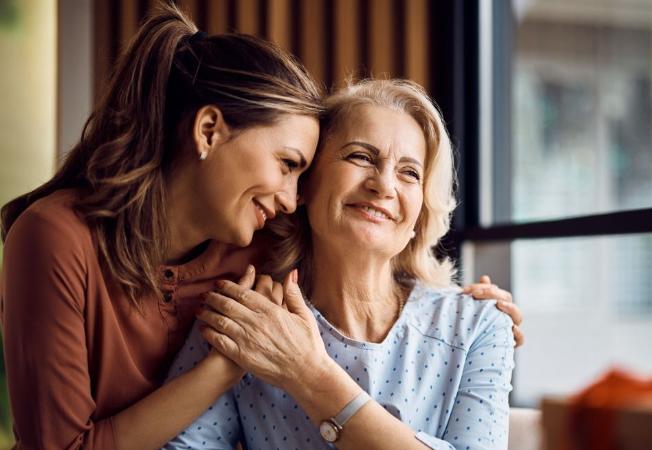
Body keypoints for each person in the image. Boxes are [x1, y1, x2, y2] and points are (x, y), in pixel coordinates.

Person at [0, 5, 521, 450]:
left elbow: (373, 253)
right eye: (290, 165)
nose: (291, 199)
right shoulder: (248, 286)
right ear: (208, 131)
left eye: (410, 172)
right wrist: (227, 367)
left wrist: (476, 310)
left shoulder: (258, 246)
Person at [164, 79, 516, 450]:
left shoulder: (479, 326)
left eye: (409, 173)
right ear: (305, 185)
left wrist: (310, 374)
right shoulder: (247, 316)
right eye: (360, 157)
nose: (384, 185)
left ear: (420, 214)